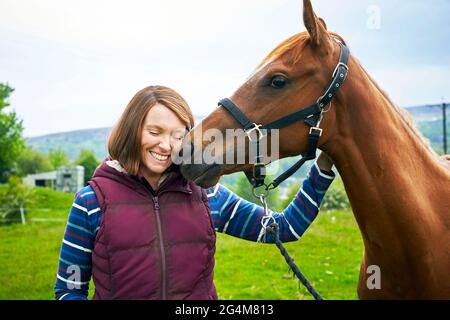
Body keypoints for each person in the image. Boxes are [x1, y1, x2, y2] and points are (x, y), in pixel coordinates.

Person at [54, 85, 335, 300]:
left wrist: (322, 168)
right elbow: (69, 289)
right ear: (131, 131)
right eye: (155, 131)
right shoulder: (91, 202)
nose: (166, 145)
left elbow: (285, 228)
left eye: (179, 135)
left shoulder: (207, 195)